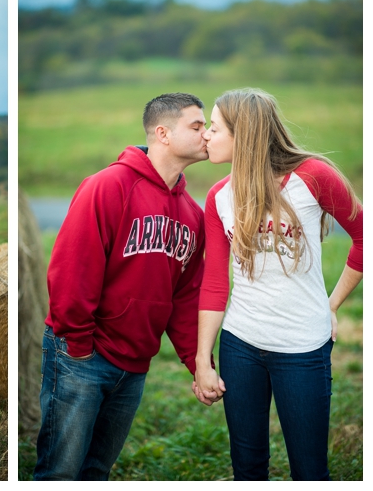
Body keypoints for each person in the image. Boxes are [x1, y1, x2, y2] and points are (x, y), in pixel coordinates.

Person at [34, 92, 212, 481]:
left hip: (135, 364)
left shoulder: (193, 215)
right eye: (196, 126)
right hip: (83, 355)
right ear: (163, 133)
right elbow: (71, 270)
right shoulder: (108, 186)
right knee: (59, 472)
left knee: (97, 471)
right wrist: (78, 346)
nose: (207, 134)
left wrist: (195, 363)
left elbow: (184, 298)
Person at [193, 88, 363, 480]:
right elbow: (215, 283)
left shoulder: (313, 177)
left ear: (244, 134)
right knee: (248, 468)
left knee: (309, 470)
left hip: (303, 347)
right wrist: (204, 360)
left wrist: (331, 305)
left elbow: (363, 236)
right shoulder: (219, 196)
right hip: (240, 346)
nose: (206, 135)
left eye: (215, 129)